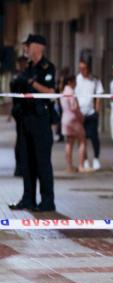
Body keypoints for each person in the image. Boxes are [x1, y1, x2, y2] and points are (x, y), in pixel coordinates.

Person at [8, 34, 56, 212]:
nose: (26, 48)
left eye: (28, 45)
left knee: (42, 162)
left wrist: (32, 82)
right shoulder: (26, 67)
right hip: (25, 120)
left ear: (38, 46)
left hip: (40, 121)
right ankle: (28, 198)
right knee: (26, 162)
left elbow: (50, 92)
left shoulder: (47, 67)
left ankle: (47, 201)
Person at [76, 58, 104, 171]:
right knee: (82, 139)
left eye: (84, 68)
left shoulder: (95, 80)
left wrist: (97, 111)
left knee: (93, 136)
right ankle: (85, 160)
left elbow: (99, 96)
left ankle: (96, 158)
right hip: (80, 113)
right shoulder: (77, 80)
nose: (82, 70)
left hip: (91, 113)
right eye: (80, 68)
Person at [60, 75, 88, 173]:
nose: (76, 83)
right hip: (73, 119)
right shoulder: (71, 92)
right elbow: (74, 107)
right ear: (70, 82)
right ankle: (81, 165)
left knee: (69, 142)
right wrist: (81, 116)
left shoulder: (63, 91)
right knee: (82, 141)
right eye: (75, 81)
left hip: (65, 119)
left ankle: (69, 166)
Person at [9, 55, 29, 177]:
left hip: (26, 111)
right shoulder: (17, 77)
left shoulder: (26, 75)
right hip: (20, 111)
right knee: (21, 140)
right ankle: (19, 167)